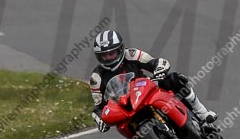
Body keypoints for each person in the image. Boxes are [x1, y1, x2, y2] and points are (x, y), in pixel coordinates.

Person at [89, 29, 217, 133]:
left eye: (112, 53)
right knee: (126, 132)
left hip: (146, 90)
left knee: (174, 79)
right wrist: (100, 119)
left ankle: (201, 113)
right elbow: (98, 106)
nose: (108, 58)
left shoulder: (132, 54)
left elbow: (156, 62)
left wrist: (159, 70)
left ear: (121, 49)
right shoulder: (97, 77)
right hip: (126, 106)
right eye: (104, 55)